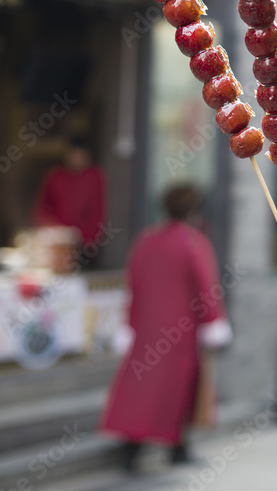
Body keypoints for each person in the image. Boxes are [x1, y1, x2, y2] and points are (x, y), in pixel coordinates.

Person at [100, 184, 231, 471]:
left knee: (140, 390)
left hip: (147, 328)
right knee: (179, 392)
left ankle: (132, 451)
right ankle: (176, 449)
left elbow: (133, 283)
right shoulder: (193, 242)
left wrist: (131, 322)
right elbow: (207, 290)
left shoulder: (146, 240)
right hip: (181, 332)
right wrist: (215, 323)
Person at [32, 135, 106, 247]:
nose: (77, 159)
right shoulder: (55, 176)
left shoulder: (94, 177)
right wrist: (54, 230)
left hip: (84, 244)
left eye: (81, 155)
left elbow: (97, 214)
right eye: (74, 154)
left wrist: (84, 237)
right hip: (56, 241)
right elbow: (43, 208)